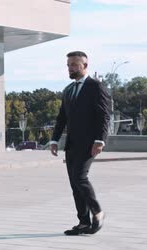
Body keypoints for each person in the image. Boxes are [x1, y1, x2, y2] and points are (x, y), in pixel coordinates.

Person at [49, 51, 112, 235]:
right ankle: (83, 222)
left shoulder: (96, 87)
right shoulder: (68, 90)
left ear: (85, 65)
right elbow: (62, 118)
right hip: (72, 144)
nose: (70, 68)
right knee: (74, 183)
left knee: (80, 178)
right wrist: (54, 139)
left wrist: (100, 140)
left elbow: (104, 116)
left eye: (75, 64)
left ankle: (97, 212)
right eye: (68, 64)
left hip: (90, 143)